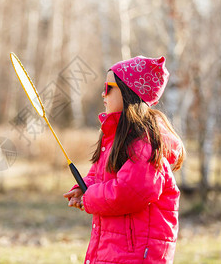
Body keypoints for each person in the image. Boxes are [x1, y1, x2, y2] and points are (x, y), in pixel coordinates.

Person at [63, 56, 186, 264]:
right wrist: (85, 187)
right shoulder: (115, 137)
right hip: (114, 249)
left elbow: (130, 191)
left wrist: (90, 197)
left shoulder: (144, 143)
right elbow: (101, 174)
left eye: (109, 87)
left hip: (137, 255)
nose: (103, 94)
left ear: (129, 92)